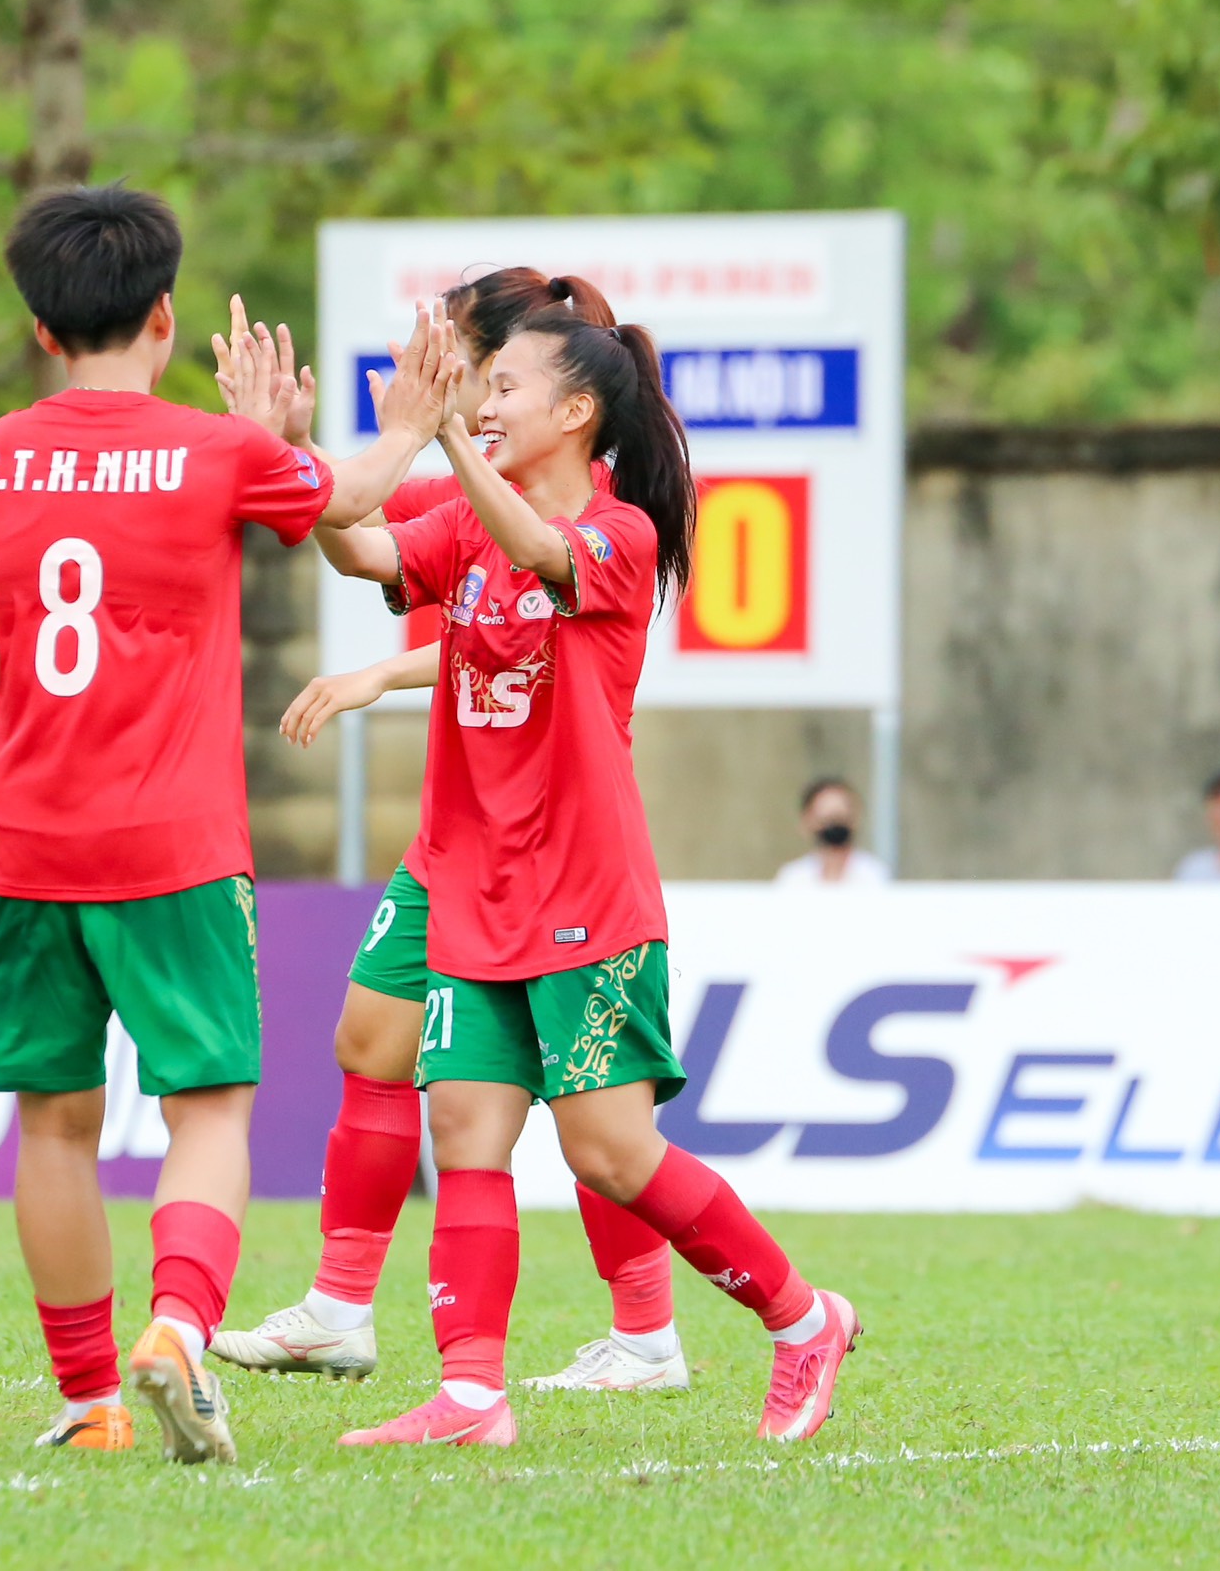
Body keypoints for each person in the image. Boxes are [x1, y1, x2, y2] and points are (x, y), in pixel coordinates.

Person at [313, 306, 860, 1448]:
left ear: (576, 412)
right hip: (473, 886)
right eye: (484, 383)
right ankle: (471, 1394)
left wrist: (445, 436)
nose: (489, 398)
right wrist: (286, 450)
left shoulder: (621, 535)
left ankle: (803, 1316)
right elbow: (360, 544)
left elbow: (537, 551)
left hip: (583, 897)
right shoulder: (468, 522)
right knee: (464, 1126)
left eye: (506, 384)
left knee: (607, 1151)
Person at [0, 183, 449, 1462]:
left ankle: (86, 1402)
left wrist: (260, 448)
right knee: (209, 1109)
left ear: (39, 325)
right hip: (168, 840)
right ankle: (179, 1327)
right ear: (166, 314)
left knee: (54, 1122)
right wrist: (401, 424)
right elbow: (343, 498)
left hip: (19, 839)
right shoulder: (212, 451)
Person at [217, 270, 687, 1395]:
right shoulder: (471, 487)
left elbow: (532, 603)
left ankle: (657, 1326)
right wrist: (284, 447)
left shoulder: (588, 518)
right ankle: (356, 1314)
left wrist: (382, 668)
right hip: (455, 836)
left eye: (473, 369)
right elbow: (359, 533)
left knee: (593, 1114)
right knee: (372, 1042)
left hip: (550, 848)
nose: (460, 391)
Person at [774, 777, 892, 886]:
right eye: (826, 819)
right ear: (807, 822)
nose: (834, 826)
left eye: (840, 817)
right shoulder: (793, 879)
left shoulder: (873, 875)